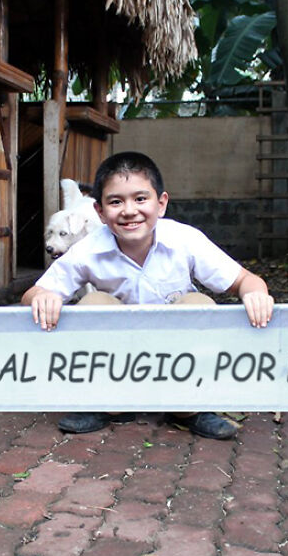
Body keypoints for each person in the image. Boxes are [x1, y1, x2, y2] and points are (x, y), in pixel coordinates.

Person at [22, 151, 274, 439]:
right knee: (91, 303)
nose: (129, 210)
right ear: (100, 212)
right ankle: (109, 404)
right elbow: (33, 293)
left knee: (200, 304)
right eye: (116, 202)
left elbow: (244, 279)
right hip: (120, 353)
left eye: (140, 199)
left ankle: (189, 407)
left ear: (161, 203)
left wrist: (257, 292)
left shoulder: (185, 239)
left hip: (175, 352)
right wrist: (42, 297)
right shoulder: (87, 249)